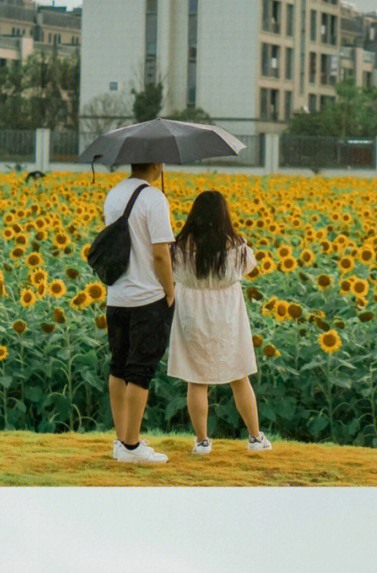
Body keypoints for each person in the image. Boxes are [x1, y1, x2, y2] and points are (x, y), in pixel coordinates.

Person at [167, 189, 271, 455]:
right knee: (239, 376)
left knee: (196, 379)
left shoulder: (178, 245)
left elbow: (169, 268)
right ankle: (255, 438)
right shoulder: (235, 245)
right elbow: (250, 267)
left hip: (192, 313)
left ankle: (202, 441)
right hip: (227, 314)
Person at [103, 162, 175, 464]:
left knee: (119, 366)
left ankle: (121, 441)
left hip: (117, 296)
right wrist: (170, 291)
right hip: (147, 297)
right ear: (157, 164)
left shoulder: (114, 194)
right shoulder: (154, 198)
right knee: (140, 371)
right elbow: (161, 254)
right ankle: (132, 447)